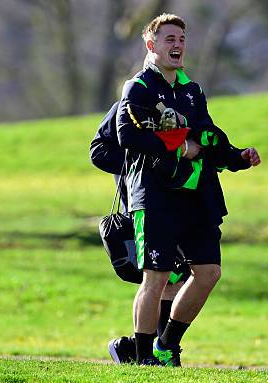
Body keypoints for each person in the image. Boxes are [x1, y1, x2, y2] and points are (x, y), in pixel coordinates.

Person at [115, 13, 261, 366]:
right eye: (169, 39)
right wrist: (179, 146)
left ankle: (168, 344)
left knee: (209, 272)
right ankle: (142, 355)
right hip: (154, 196)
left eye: (181, 39)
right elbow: (127, 135)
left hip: (195, 196)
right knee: (157, 276)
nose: (177, 45)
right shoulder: (140, 88)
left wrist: (238, 157)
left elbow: (207, 136)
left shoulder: (192, 90)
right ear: (151, 45)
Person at [90, 101, 190, 363]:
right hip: (143, 207)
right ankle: (155, 352)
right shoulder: (129, 104)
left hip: (178, 205)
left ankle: (137, 348)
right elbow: (98, 151)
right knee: (161, 277)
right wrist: (141, 159)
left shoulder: (184, 102)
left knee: (178, 278)